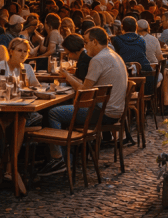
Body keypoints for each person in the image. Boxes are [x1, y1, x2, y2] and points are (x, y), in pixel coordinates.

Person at [39, 27, 129, 177]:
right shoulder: (113, 55)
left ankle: (61, 160)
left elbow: (83, 91)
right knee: (62, 110)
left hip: (102, 112)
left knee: (54, 113)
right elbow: (86, 86)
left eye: (86, 42)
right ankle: (70, 158)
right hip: (115, 110)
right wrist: (69, 76)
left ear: (94, 42)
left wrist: (67, 77)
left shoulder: (98, 59)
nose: (84, 46)